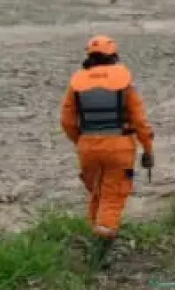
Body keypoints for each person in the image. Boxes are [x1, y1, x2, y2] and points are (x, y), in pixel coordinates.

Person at [60, 35, 155, 264]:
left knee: (98, 192)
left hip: (87, 146)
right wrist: (148, 149)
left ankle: (94, 234)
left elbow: (66, 120)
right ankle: (101, 252)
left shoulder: (77, 83)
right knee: (113, 195)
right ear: (114, 55)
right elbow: (140, 120)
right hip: (119, 146)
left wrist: (82, 142)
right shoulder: (124, 80)